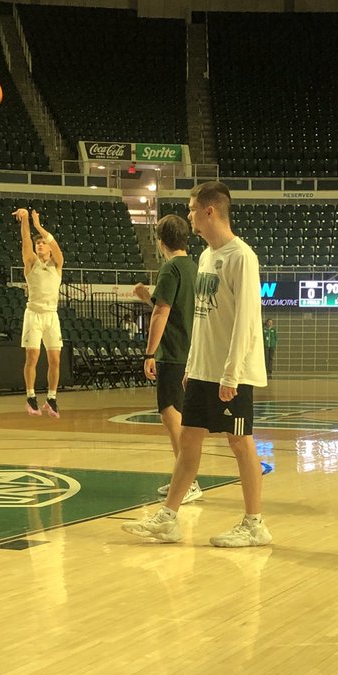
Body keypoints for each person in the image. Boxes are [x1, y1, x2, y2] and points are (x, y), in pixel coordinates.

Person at [123, 180, 271, 547]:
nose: (188, 217)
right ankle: (168, 518)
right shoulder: (205, 257)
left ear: (209, 211)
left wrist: (231, 374)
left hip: (232, 373)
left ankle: (255, 524)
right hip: (203, 369)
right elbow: (204, 320)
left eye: (191, 210)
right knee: (189, 440)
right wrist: (192, 365)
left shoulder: (242, 257)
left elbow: (246, 321)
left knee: (241, 443)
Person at [132, 213, 202, 504]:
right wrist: (147, 297)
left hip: (173, 354)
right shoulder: (195, 268)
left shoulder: (170, 269)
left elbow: (162, 313)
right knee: (182, 416)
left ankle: (189, 482)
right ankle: (183, 479)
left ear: (160, 242)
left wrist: (149, 353)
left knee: (171, 414)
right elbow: (176, 308)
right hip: (191, 352)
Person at [14, 207, 63, 418]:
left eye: (43, 243)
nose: (40, 245)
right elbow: (26, 241)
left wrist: (38, 226)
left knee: (55, 359)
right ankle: (30, 396)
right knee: (32, 356)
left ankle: (51, 398)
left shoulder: (57, 264)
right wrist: (25, 220)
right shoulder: (31, 262)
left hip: (52, 315)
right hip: (33, 314)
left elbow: (55, 245)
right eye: (38, 244)